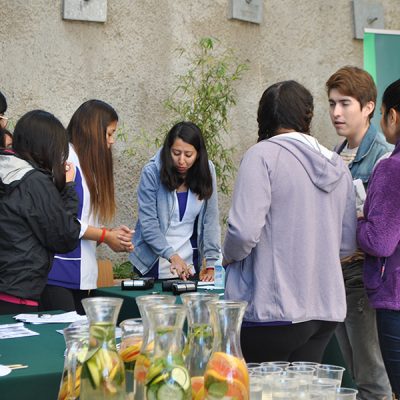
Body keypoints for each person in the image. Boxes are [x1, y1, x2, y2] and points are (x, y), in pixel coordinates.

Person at [223, 80, 357, 363]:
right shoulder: (337, 164)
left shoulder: (261, 156)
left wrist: (228, 257)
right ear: (306, 115)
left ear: (264, 117)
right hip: (325, 309)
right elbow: (346, 246)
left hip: (273, 311)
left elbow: (243, 233)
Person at [326, 66, 392, 399]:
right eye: (332, 103)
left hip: (363, 276)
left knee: (371, 375)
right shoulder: (335, 154)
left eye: (345, 103)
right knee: (351, 374)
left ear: (368, 107)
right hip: (335, 275)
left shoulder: (382, 156)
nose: (337, 112)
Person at [41, 100, 134, 315]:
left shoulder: (86, 165)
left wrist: (112, 236)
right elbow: (64, 221)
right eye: (109, 134)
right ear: (93, 131)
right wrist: (105, 235)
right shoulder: (65, 159)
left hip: (80, 274)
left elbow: (84, 223)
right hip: (58, 273)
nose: (112, 141)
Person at [0, 110, 81, 315]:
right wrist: (69, 187)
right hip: (17, 294)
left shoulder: (7, 169)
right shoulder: (33, 181)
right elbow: (65, 236)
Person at [129, 121, 220, 282]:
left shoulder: (207, 170)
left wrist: (211, 264)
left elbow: (211, 221)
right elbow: (148, 224)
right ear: (167, 150)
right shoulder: (152, 172)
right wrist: (172, 256)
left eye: (188, 155)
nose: (182, 161)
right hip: (154, 264)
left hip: (189, 266)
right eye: (176, 153)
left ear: (198, 154)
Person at [357, 78, 400, 399]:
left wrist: (359, 222)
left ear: (393, 117)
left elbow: (379, 241)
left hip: (395, 299)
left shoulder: (391, 168)